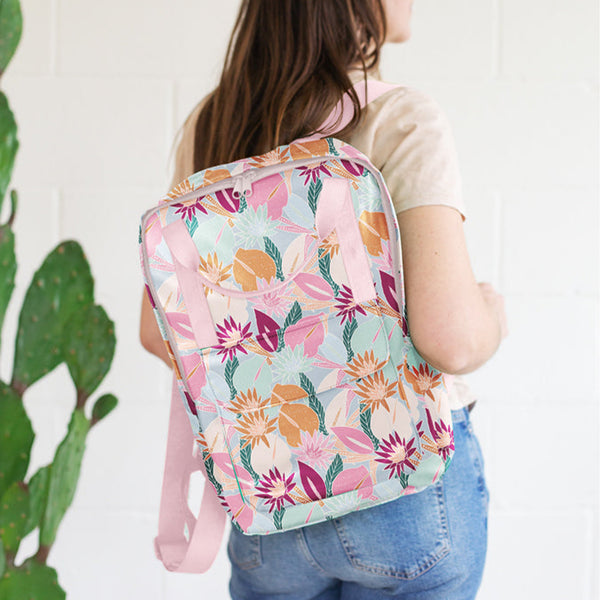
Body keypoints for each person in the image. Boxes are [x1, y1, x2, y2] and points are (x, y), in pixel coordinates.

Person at [140, 1, 508, 598]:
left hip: (271, 494)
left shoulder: (216, 124)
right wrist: (492, 313)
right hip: (403, 483)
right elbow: (453, 339)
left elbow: (159, 332)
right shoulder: (401, 118)